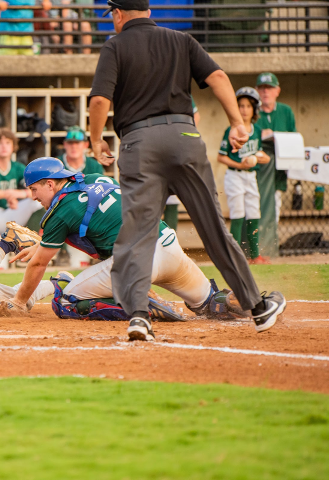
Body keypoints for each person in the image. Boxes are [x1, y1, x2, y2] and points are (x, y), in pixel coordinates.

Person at [86, 0, 285, 342]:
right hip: (185, 137)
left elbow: (100, 101)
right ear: (148, 11)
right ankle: (257, 307)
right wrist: (237, 123)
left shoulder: (114, 45)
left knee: (138, 234)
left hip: (138, 144)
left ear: (117, 14)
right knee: (213, 228)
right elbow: (219, 77)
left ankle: (137, 316)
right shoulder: (181, 40)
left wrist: (96, 140)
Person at [0, 158, 243, 324]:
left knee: (65, 302)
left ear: (50, 184)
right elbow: (101, 219)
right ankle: (247, 302)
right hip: (166, 242)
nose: (33, 196)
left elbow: (39, 265)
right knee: (209, 304)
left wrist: (18, 302)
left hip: (135, 260)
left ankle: (138, 304)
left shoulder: (59, 211)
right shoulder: (93, 178)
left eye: (34, 189)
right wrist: (43, 244)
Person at [217, 87, 271, 265]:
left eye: (248, 106)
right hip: (235, 176)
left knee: (253, 213)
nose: (244, 109)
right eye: (240, 105)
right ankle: (236, 255)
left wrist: (261, 157)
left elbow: (260, 154)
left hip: (250, 177)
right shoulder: (230, 130)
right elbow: (221, 156)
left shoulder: (256, 130)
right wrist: (240, 164)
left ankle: (255, 255)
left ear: (255, 109)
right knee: (238, 214)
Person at [255, 72, 297, 257]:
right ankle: (255, 252)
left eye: (270, 88)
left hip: (278, 172)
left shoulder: (286, 111)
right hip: (256, 173)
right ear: (257, 91)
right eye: (262, 88)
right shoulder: (253, 111)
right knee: (255, 211)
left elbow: (294, 138)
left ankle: (269, 251)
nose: (266, 92)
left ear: (277, 91)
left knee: (275, 209)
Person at [163, 95, 199, 231]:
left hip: (175, 148)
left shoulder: (182, 91)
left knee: (172, 197)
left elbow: (196, 116)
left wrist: (184, 135)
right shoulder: (152, 87)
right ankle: (153, 245)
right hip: (156, 146)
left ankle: (170, 241)